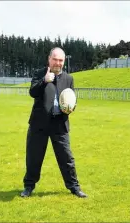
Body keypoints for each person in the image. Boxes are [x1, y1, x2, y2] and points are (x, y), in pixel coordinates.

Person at [21, 47, 87, 198]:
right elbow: (33, 92)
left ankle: (74, 187)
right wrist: (45, 81)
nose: (58, 63)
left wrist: (71, 108)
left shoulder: (68, 79)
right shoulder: (40, 73)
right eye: (55, 59)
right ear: (49, 59)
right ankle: (28, 187)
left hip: (59, 124)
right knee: (34, 157)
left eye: (61, 60)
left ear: (64, 62)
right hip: (39, 124)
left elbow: (71, 99)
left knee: (66, 158)